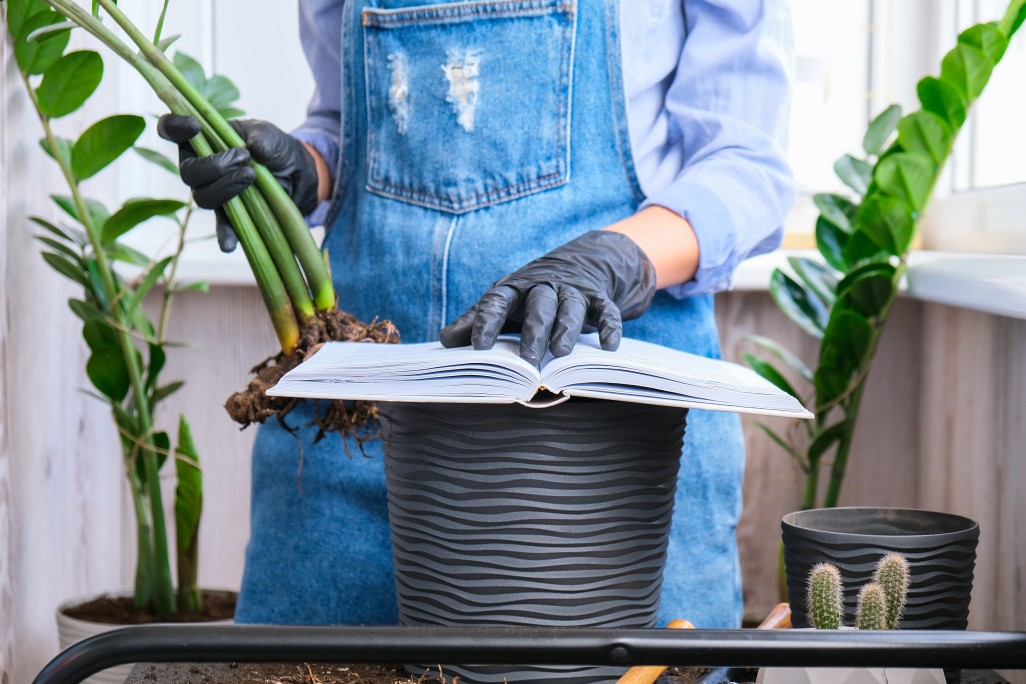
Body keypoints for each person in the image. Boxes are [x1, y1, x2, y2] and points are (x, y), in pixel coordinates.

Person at [159, 0, 795, 628]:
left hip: (609, 467)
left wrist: (617, 258)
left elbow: (746, 163)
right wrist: (303, 169)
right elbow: (347, 123)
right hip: (351, 440)